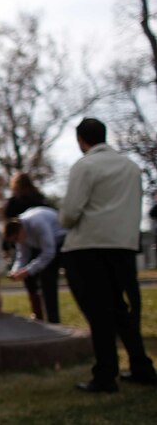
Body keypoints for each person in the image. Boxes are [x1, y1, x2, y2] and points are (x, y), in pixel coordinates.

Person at [60, 117, 157, 392]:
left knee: (99, 312)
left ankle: (105, 374)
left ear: (81, 141)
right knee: (122, 310)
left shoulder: (85, 166)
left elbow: (70, 213)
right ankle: (141, 366)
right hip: (123, 245)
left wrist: (65, 220)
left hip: (90, 247)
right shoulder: (130, 167)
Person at [3, 206, 66, 324]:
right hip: (45, 247)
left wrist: (28, 271)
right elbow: (22, 255)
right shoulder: (20, 233)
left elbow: (49, 252)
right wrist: (15, 271)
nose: (17, 242)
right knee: (41, 282)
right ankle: (47, 319)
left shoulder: (37, 223)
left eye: (16, 239)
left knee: (49, 279)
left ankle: (53, 321)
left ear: (20, 230)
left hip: (62, 241)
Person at [2, 172, 52, 321]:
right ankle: (48, 312)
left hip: (32, 238)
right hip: (28, 240)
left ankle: (38, 312)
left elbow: (9, 224)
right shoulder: (38, 197)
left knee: (30, 279)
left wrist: (7, 246)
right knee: (45, 280)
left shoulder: (14, 202)